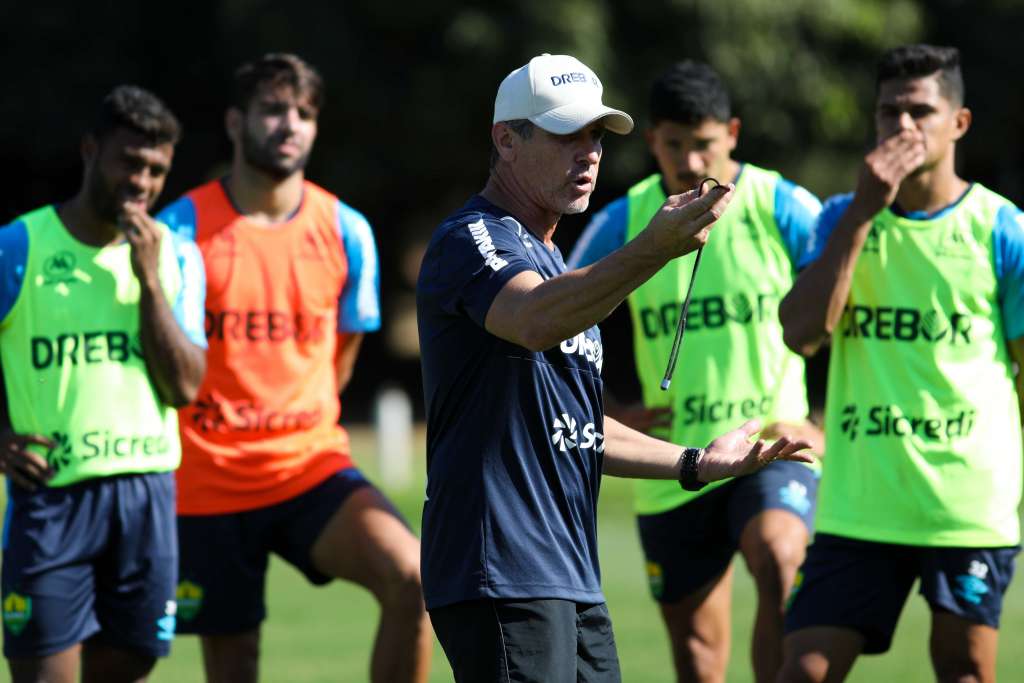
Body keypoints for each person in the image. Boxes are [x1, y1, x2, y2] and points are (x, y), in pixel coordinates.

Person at [416, 52, 814, 683]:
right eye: (564, 134)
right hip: (502, 570)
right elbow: (534, 319)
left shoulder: (549, 257)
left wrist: (693, 461)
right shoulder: (471, 238)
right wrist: (654, 248)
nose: (589, 151)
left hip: (570, 575)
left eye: (595, 135)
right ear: (506, 140)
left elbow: (578, 430)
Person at [157, 53, 431, 683]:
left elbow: (339, 365)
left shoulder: (346, 230)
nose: (290, 125)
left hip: (309, 469)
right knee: (235, 664)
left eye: (304, 113)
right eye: (274, 109)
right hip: (209, 480)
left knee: (413, 577)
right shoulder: (180, 229)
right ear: (234, 122)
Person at [568, 60, 825, 683]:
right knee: (698, 660)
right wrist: (606, 411)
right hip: (672, 461)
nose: (689, 159)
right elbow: (560, 313)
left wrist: (821, 416)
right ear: (652, 140)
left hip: (770, 445)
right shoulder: (622, 219)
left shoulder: (780, 204)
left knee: (779, 558)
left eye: (704, 143)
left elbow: (846, 303)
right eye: (673, 144)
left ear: (732, 133)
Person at [777, 44, 1024, 683]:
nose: (904, 128)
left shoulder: (1003, 228)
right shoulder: (839, 216)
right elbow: (802, 333)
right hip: (860, 504)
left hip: (965, 502)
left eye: (921, 111)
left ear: (959, 123)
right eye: (890, 113)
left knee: (964, 671)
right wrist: (863, 210)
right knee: (802, 670)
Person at [0, 86, 207, 683]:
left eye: (157, 170)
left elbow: (185, 387)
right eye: (130, 162)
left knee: (131, 665)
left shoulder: (177, 258)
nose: (142, 181)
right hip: (52, 500)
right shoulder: (20, 247)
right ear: (91, 150)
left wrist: (149, 282)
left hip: (146, 498)